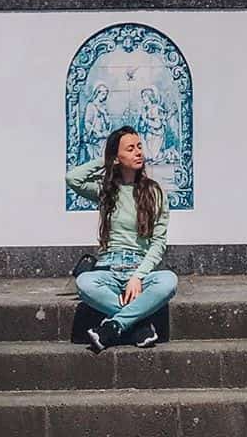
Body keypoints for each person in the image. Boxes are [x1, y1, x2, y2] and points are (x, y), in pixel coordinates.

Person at [65, 126, 177, 350]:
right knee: (84, 283)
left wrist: (138, 277)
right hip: (108, 270)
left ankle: (114, 326)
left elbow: (158, 243)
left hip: (139, 271)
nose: (138, 152)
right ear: (117, 157)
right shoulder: (106, 191)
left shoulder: (155, 192)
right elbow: (72, 179)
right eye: (130, 149)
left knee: (168, 281)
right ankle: (137, 324)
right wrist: (107, 161)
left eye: (139, 147)